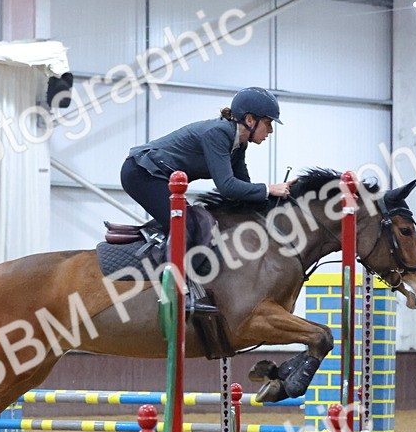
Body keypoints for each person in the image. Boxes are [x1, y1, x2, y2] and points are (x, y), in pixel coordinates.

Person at [121, 87, 293, 312]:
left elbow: (244, 191)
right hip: (141, 173)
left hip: (158, 176)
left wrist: (283, 197)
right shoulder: (218, 133)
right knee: (189, 224)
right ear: (250, 120)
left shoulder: (239, 145)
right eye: (268, 123)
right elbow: (228, 187)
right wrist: (269, 189)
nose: (270, 130)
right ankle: (173, 292)